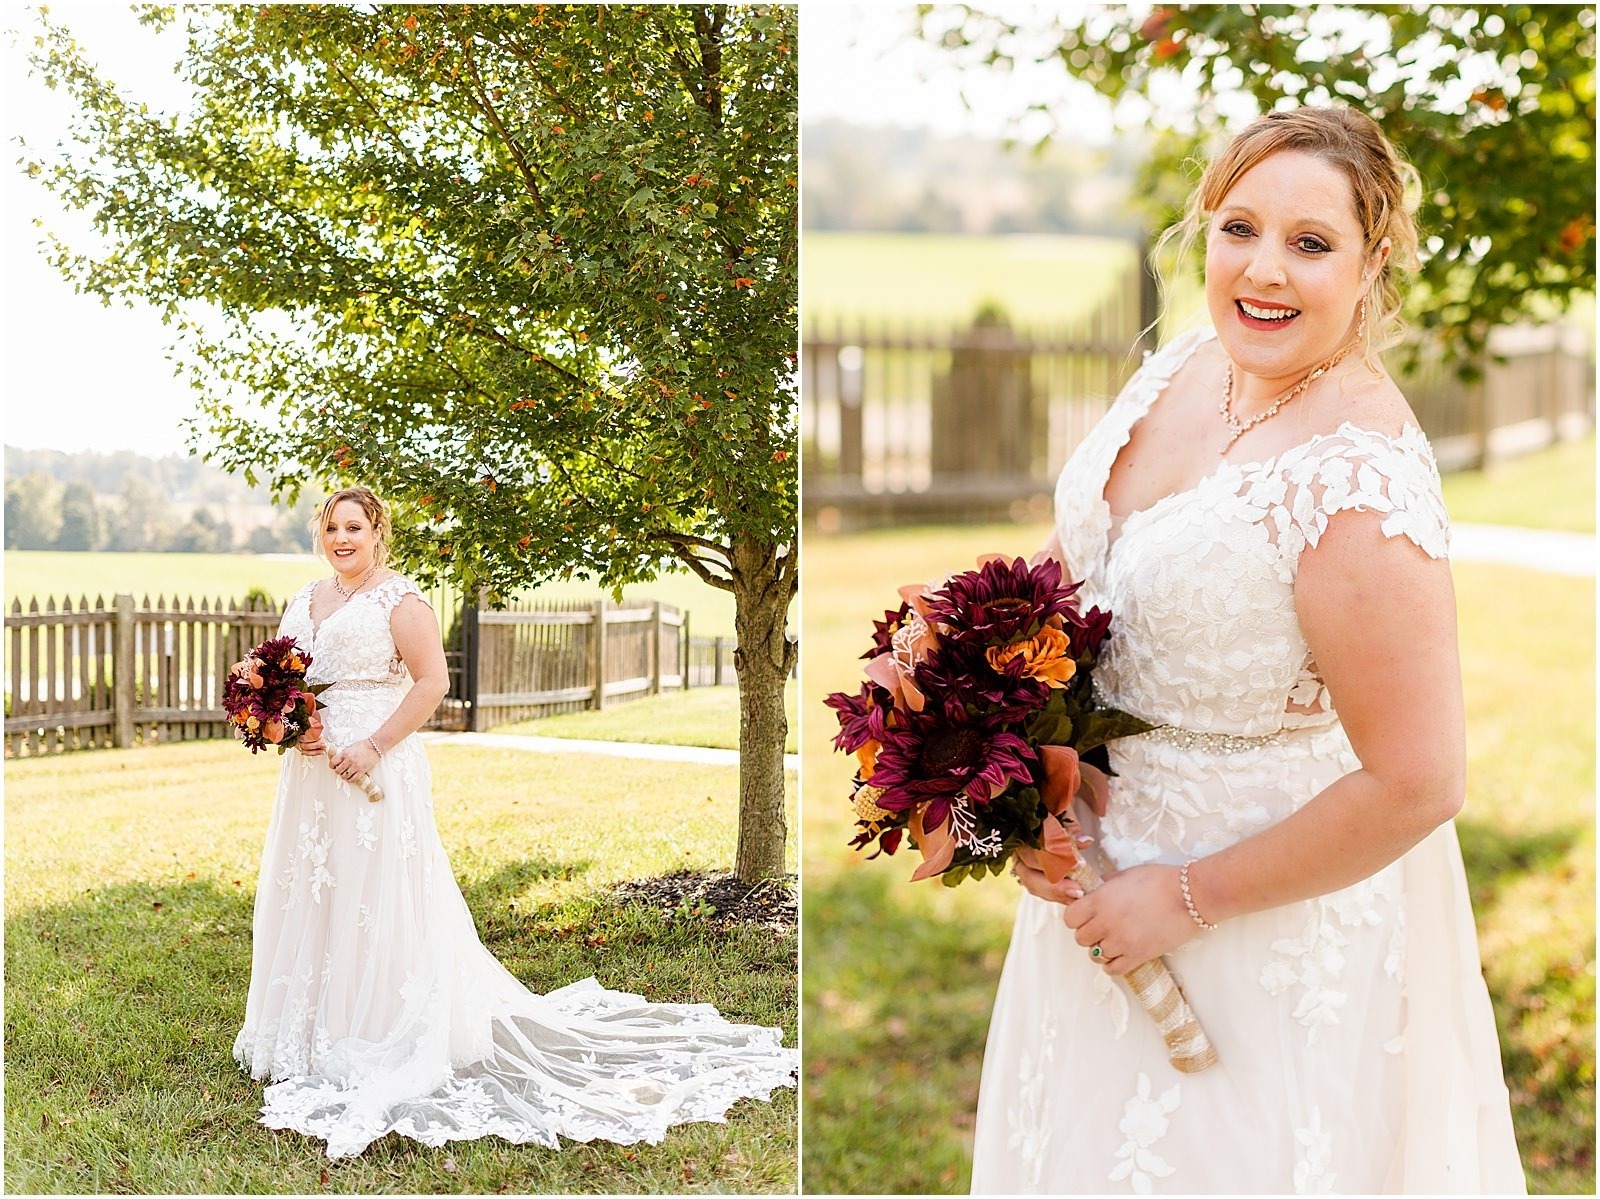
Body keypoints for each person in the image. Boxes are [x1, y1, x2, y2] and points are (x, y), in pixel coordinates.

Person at [968, 108, 1525, 1193]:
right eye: (1239, 227)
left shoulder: (1356, 480)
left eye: (1310, 243)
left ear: (1372, 265)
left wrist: (1179, 897)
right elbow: (1072, 572)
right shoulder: (1181, 368)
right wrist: (1020, 785)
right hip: (1095, 892)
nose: (1263, 270)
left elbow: (1420, 780)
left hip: (1253, 928)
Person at [232, 486, 797, 1160]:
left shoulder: (400, 600)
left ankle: (375, 1027)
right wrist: (291, 727)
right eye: (332, 527)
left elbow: (432, 683)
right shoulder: (305, 597)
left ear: (378, 531)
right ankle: (306, 1031)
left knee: (374, 901)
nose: (342, 538)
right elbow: (290, 681)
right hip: (315, 776)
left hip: (375, 767)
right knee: (318, 893)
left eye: (355, 526)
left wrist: (373, 746)